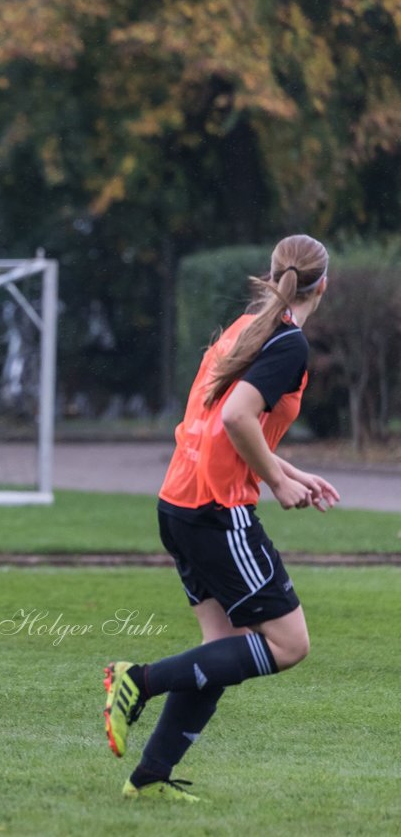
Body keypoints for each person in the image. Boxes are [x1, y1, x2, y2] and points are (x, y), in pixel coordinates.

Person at [103, 234, 340, 803]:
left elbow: (224, 424)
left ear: (273, 273)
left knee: (222, 652)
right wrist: (278, 481)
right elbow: (236, 416)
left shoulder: (247, 327)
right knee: (288, 644)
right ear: (323, 286)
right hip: (214, 510)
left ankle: (150, 778)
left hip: (180, 504)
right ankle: (137, 679)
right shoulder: (287, 343)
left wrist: (288, 468)